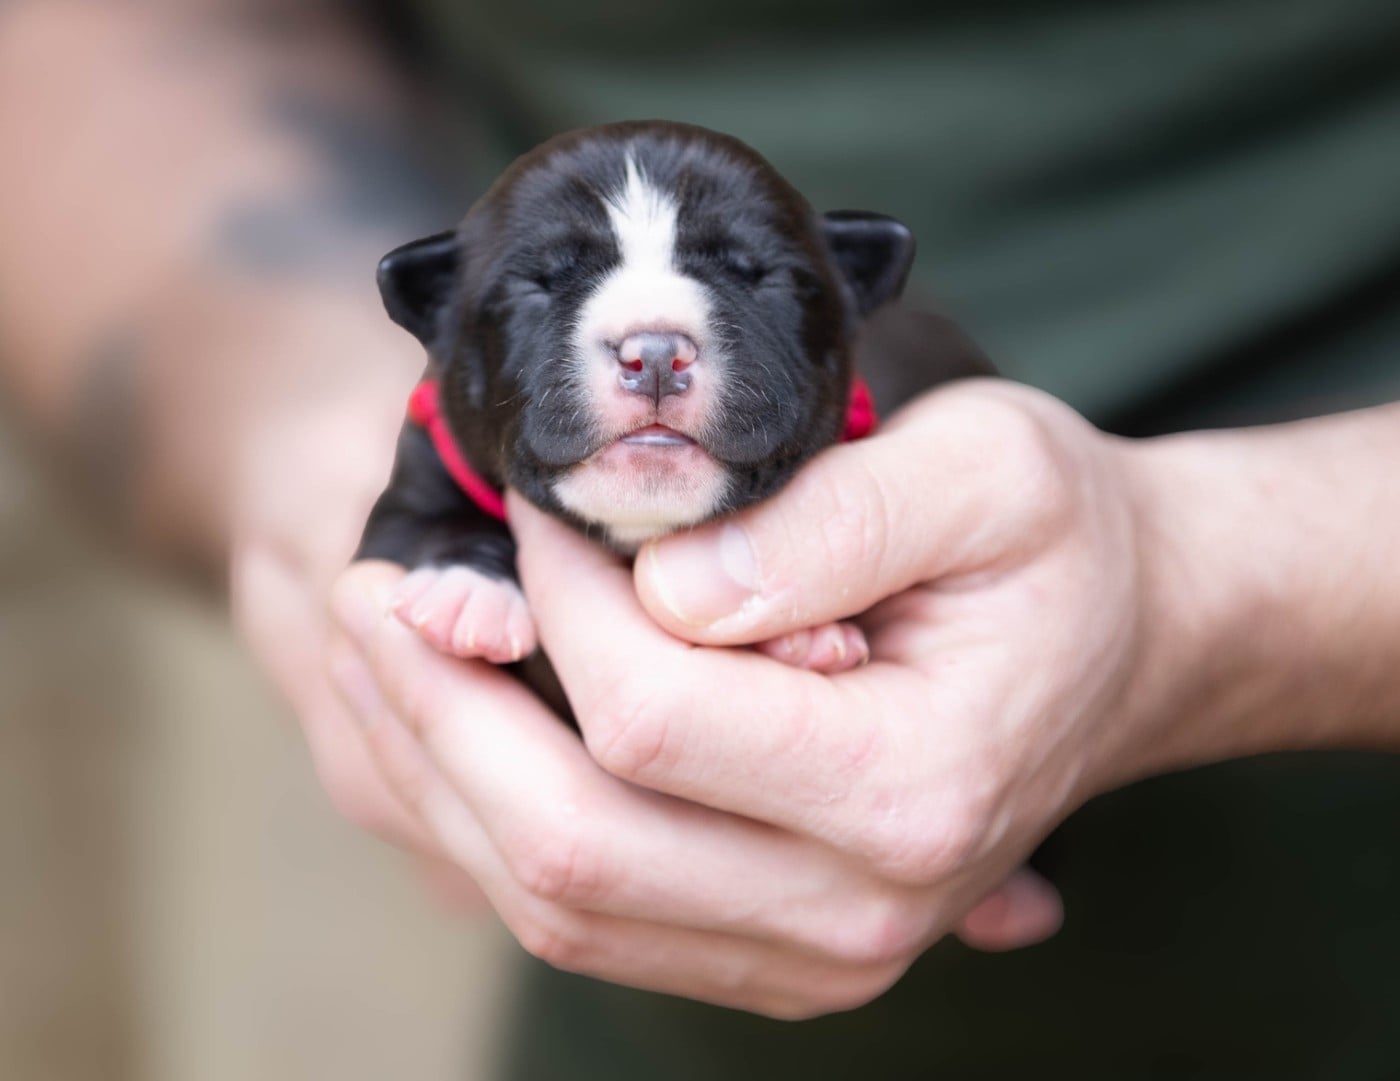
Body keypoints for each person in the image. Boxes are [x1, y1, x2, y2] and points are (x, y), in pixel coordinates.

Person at [3, 0, 1397, 1076]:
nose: (657, 347)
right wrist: (304, 443)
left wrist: (1210, 583)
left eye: (745, 280)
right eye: (551, 286)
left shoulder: (895, 380)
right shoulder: (444, 417)